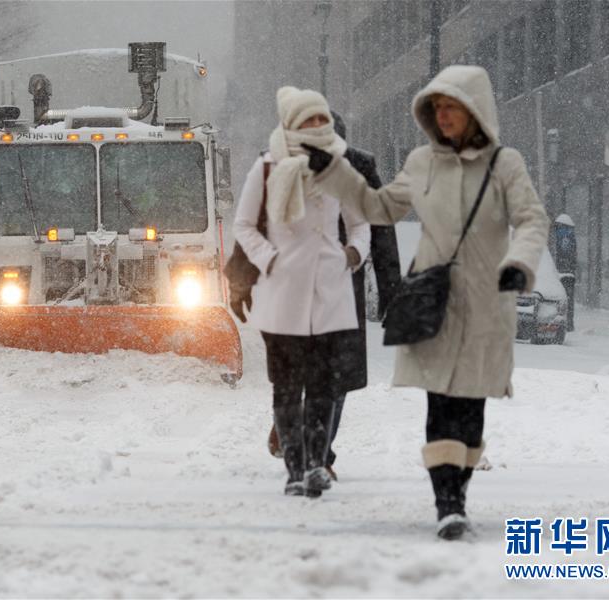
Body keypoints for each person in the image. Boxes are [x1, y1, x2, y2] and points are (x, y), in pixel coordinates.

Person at [304, 66, 549, 539]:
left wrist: (519, 262)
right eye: (436, 108)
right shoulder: (420, 163)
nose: (442, 115)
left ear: (475, 110)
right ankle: (448, 504)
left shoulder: (505, 165)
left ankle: (459, 487)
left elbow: (531, 219)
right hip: (435, 302)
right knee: (439, 404)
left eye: (451, 106)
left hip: (484, 304)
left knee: (470, 408)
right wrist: (335, 174)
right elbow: (378, 208)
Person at [232, 86, 369, 498]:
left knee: (325, 385)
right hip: (284, 292)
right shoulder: (269, 166)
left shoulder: (340, 168)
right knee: (288, 387)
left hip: (330, 290)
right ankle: (294, 468)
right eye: (308, 119)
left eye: (320, 118)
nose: (316, 125)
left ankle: (316, 464)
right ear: (291, 123)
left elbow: (361, 223)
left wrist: (352, 255)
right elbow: (243, 225)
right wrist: (268, 259)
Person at [266, 110, 401, 482]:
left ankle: (319, 455)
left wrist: (391, 290)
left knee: (336, 378)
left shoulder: (359, 168)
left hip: (343, 286)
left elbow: (381, 229)